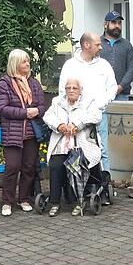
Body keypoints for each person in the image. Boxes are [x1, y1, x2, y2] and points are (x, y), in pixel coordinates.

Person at [58, 32, 117, 205]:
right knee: (77, 152)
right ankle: (79, 188)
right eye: (97, 44)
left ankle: (103, 189)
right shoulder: (70, 65)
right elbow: (64, 90)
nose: (101, 47)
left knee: (102, 151)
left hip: (99, 115)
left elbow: (112, 88)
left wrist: (101, 104)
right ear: (86, 45)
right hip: (75, 117)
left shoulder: (104, 65)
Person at [0, 49, 46, 217]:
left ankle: (24, 199)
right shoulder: (5, 83)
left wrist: (36, 111)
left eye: (28, 61)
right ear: (15, 63)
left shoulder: (34, 83)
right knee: (12, 167)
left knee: (29, 167)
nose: (28, 64)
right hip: (13, 133)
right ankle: (7, 201)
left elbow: (42, 105)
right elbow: (3, 108)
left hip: (31, 133)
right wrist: (25, 113)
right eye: (24, 61)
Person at [43, 78, 102, 217]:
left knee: (75, 165)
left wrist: (78, 124)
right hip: (61, 144)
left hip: (81, 145)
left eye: (74, 88)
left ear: (80, 90)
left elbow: (96, 116)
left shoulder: (88, 102)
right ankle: (55, 202)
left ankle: (78, 201)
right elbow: (47, 116)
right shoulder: (57, 102)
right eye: (68, 87)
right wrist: (59, 125)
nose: (71, 90)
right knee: (56, 165)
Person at [100, 11, 133, 102]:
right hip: (101, 94)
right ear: (105, 25)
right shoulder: (97, 43)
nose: (117, 26)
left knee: (120, 117)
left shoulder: (126, 45)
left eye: (119, 23)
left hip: (122, 94)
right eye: (114, 22)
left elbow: (131, 69)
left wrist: (121, 86)